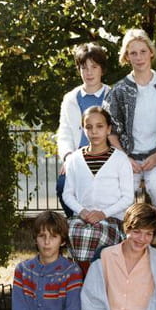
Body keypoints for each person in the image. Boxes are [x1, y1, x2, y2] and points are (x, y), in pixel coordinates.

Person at [103, 28, 156, 234]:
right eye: (133, 53)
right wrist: (124, 158)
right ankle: (125, 234)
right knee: (125, 192)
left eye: (143, 51)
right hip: (127, 156)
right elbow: (111, 131)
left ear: (151, 52)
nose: (139, 57)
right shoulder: (118, 90)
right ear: (126, 57)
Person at [63, 106, 134, 274]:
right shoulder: (74, 159)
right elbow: (67, 194)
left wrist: (103, 213)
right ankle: (78, 276)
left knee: (96, 234)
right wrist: (82, 211)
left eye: (99, 126)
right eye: (89, 127)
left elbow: (127, 197)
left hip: (110, 219)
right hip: (82, 218)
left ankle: (96, 277)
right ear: (83, 129)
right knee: (72, 231)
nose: (94, 131)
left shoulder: (120, 159)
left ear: (108, 129)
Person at [55, 43, 112, 216]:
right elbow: (64, 132)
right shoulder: (70, 98)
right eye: (84, 68)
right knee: (62, 186)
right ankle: (76, 222)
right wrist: (68, 157)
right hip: (77, 158)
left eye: (94, 67)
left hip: (107, 157)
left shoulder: (113, 95)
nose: (89, 72)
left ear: (102, 69)